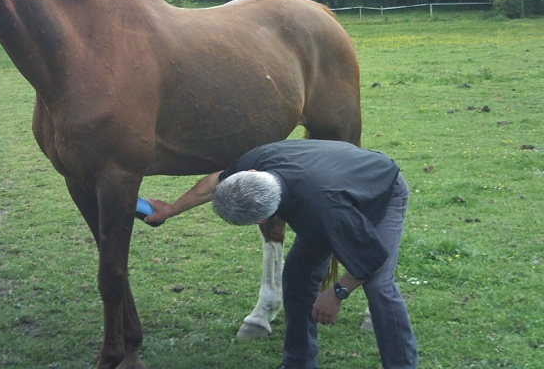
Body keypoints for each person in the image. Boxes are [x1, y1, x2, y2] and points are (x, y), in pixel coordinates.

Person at [145, 139, 418, 369]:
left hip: (382, 189)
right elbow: (211, 183)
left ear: (265, 220)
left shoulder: (326, 212)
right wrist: (171, 209)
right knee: (298, 277)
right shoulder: (258, 162)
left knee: (379, 287)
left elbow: (373, 258)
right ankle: (298, 362)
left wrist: (337, 293)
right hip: (335, 181)